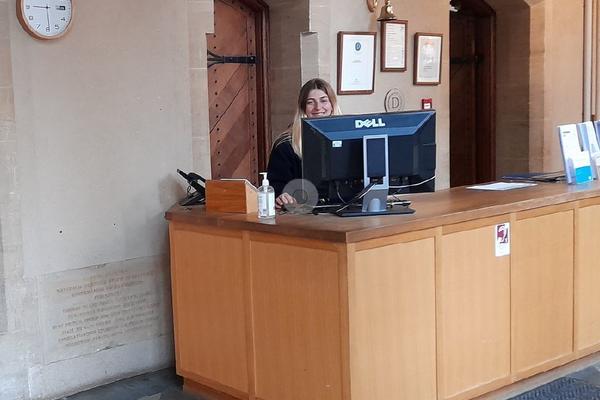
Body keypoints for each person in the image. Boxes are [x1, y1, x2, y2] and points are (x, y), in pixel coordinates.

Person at [267, 78, 342, 210]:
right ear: (303, 108)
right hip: (301, 213)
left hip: (343, 209)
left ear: (332, 104)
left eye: (324, 101)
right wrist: (282, 197)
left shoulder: (348, 137)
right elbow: (275, 187)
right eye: (310, 102)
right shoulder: (286, 145)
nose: (318, 107)